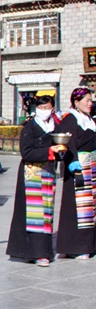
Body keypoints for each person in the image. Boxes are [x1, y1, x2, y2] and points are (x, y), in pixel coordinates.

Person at [6, 95, 67, 267]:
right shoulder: (30, 127)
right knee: (34, 213)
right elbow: (26, 152)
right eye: (40, 108)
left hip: (48, 172)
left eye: (47, 107)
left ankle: (45, 250)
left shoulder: (56, 127)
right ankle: (35, 252)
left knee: (47, 211)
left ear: (53, 108)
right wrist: (49, 150)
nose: (43, 111)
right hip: (31, 173)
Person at [57, 87, 96, 260]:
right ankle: (76, 246)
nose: (90, 103)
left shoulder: (89, 119)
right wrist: (72, 162)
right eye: (87, 100)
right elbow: (68, 143)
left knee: (91, 207)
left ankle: (89, 244)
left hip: (92, 167)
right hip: (79, 168)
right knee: (79, 208)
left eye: (91, 100)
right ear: (76, 102)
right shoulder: (70, 119)